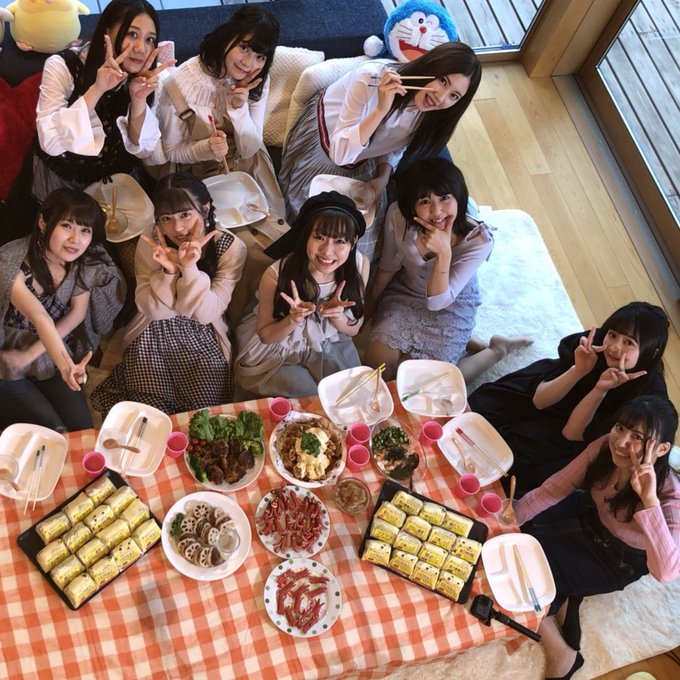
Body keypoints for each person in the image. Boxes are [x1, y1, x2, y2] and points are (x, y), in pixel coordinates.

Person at [514, 394, 680, 679]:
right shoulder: (605, 446)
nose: (621, 441)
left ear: (662, 448)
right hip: (586, 514)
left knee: (525, 577)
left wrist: (649, 500)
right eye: (620, 428)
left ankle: (562, 655)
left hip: (615, 558)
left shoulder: (669, 497)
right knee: (517, 532)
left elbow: (666, 571)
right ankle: (569, 598)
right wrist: (510, 521)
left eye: (637, 437)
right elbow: (555, 488)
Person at [279, 41, 482, 259]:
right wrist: (381, 109)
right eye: (443, 81)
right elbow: (340, 154)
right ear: (430, 66)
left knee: (362, 245)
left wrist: (382, 179)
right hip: (327, 147)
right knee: (316, 229)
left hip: (365, 158)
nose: (441, 98)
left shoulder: (434, 115)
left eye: (454, 96)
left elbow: (394, 145)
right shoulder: (370, 78)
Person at [2, 0, 174, 243]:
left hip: (116, 180)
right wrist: (98, 89)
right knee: (62, 246)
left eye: (150, 39)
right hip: (63, 179)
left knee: (131, 246)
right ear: (107, 32)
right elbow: (50, 141)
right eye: (132, 34)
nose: (141, 48)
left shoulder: (146, 77)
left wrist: (138, 99)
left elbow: (143, 148)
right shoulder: (63, 65)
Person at [468, 301, 670, 493]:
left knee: (509, 465)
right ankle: (500, 348)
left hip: (578, 424)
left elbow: (572, 434)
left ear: (652, 352)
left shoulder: (647, 399)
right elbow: (539, 401)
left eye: (628, 342)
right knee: (475, 413)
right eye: (613, 335)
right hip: (559, 387)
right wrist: (578, 370)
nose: (615, 347)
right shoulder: (595, 344)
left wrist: (600, 389)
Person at [363, 158, 531, 382]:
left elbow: (438, 302)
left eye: (444, 198)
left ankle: (497, 350)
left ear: (459, 198)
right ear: (412, 206)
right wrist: (367, 310)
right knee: (376, 371)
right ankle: (465, 341)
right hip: (407, 293)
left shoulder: (480, 240)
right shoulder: (399, 216)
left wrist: (444, 253)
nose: (437, 211)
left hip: (452, 302)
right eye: (425, 201)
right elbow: (387, 267)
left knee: (422, 384)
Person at [90, 173, 246, 415]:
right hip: (152, 328)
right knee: (150, 409)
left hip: (204, 332)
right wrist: (169, 271)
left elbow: (206, 314)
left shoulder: (230, 247)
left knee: (203, 411)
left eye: (185, 215)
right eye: (166, 219)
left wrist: (189, 268)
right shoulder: (152, 240)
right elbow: (152, 311)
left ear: (205, 209)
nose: (178, 228)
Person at [0, 189, 125, 431]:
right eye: (67, 226)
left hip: (49, 351)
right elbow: (40, 317)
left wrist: (53, 362)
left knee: (82, 429)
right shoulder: (10, 263)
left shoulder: (82, 263)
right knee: (55, 431)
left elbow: (77, 314)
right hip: (6, 356)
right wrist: (29, 359)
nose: (76, 239)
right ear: (43, 222)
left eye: (85, 230)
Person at [235, 191, 370, 398]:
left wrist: (339, 318)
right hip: (279, 348)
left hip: (329, 341)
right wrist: (292, 320)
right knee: (310, 396)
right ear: (306, 235)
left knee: (348, 395)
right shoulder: (275, 274)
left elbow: (354, 329)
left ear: (354, 241)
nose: (327, 251)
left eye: (340, 241)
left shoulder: (360, 265)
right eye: (319, 237)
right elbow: (266, 336)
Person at [154, 5, 284, 216]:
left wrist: (239, 108)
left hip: (249, 167)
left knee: (270, 226)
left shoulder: (257, 80)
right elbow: (172, 151)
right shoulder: (179, 85)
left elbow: (249, 150)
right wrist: (206, 148)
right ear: (228, 36)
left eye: (260, 56)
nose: (248, 63)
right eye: (244, 48)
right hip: (197, 173)